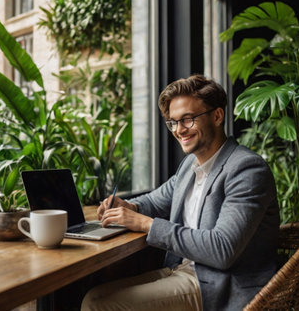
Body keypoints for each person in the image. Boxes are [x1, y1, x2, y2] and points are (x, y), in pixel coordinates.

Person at [81, 75, 280, 310]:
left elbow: (222, 249)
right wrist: (130, 207)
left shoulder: (246, 169)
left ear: (217, 116)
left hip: (222, 285)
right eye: (173, 122)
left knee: (100, 306)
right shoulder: (190, 165)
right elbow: (157, 199)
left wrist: (146, 224)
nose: (178, 130)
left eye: (187, 119)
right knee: (92, 297)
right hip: (185, 270)